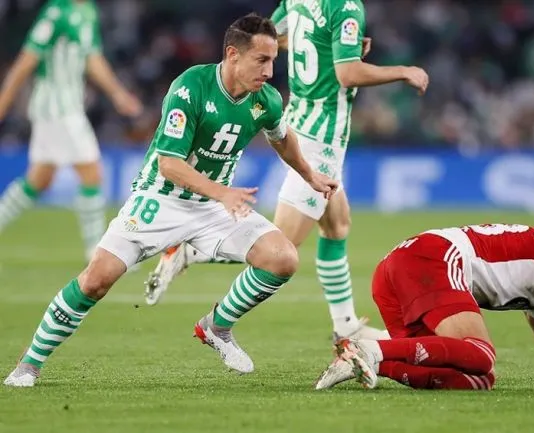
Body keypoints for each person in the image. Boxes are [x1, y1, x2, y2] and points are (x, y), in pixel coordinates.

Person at [3, 13, 339, 388]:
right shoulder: (191, 87)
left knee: (283, 258)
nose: (270, 69)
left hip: (213, 207)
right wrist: (223, 192)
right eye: (261, 60)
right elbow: (169, 164)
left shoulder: (266, 100)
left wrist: (309, 174)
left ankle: (217, 326)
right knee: (96, 280)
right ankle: (28, 365)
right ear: (233, 55)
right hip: (161, 199)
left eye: (273, 59)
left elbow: (282, 136)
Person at [143, 0, 429, 342]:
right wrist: (402, 71)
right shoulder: (347, 7)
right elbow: (348, 74)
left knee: (337, 226)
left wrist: (331, 44)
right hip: (320, 136)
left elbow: (272, 38)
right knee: (280, 246)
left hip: (300, 121)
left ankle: (345, 324)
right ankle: (189, 253)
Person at [315, 223, 534, 390]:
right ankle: (373, 348)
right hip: (434, 257)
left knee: (477, 379)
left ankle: (361, 356)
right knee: (481, 354)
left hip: (395, 268)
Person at [0, 0, 143, 261]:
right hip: (57, 108)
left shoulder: (87, 11)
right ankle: (98, 253)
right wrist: (4, 101)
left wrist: (118, 94)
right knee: (92, 172)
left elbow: (93, 59)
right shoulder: (57, 13)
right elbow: (25, 60)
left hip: (67, 107)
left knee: (39, 180)